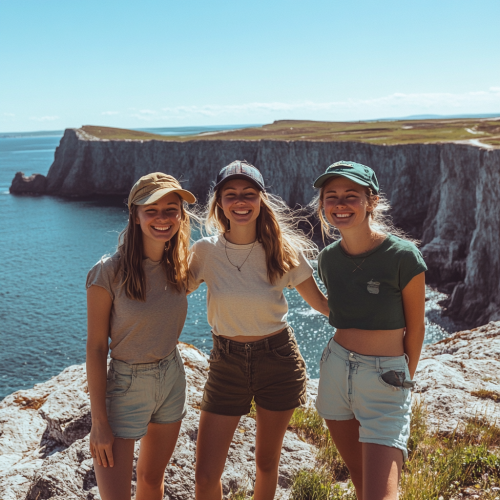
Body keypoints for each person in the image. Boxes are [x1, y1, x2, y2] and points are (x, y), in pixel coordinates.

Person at [188, 160, 330, 500]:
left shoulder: (282, 250)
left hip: (278, 360)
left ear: (260, 200)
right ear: (218, 202)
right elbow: (170, 291)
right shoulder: (205, 251)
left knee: (266, 465)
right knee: (205, 476)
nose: (240, 201)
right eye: (231, 194)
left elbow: (324, 306)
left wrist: (383, 322)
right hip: (226, 365)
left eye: (249, 194)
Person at [312, 161, 427, 500]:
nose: (340, 204)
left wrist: (402, 379)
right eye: (331, 197)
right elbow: (341, 309)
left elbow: (416, 329)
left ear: (371, 201)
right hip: (334, 371)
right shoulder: (328, 258)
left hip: (385, 381)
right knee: (360, 480)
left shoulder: (404, 256)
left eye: (351, 196)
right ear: (322, 205)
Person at [86, 173, 196, 500]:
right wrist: (99, 422)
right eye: (152, 210)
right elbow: (95, 348)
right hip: (126, 386)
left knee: (151, 482)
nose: (162, 218)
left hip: (172, 379)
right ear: (135, 214)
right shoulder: (108, 272)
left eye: (171, 209)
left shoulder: (179, 265)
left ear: (181, 215)